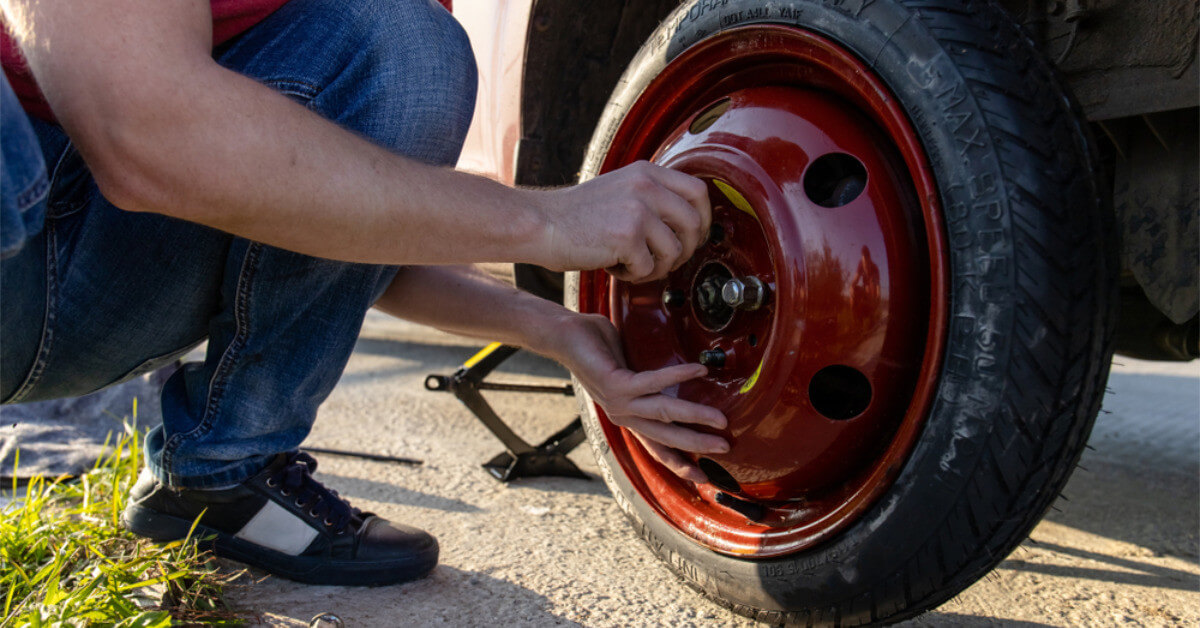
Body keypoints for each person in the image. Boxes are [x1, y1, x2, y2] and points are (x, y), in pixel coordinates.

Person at [0, 0, 727, 586]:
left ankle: (222, 480)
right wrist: (546, 218)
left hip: (93, 284)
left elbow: (342, 226)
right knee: (405, 45)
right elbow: (141, 139)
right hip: (21, 250)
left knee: (403, 45)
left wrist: (559, 331)